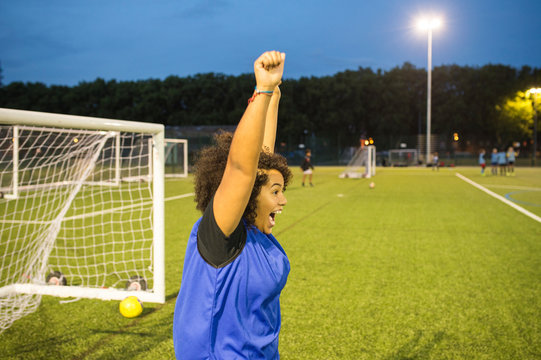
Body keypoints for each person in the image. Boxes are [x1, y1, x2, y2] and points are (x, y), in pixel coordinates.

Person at [173, 51, 292, 359]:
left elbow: (259, 159)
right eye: (276, 192)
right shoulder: (221, 235)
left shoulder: (256, 233)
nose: (283, 200)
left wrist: (274, 98)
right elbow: (243, 169)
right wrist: (262, 90)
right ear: (250, 194)